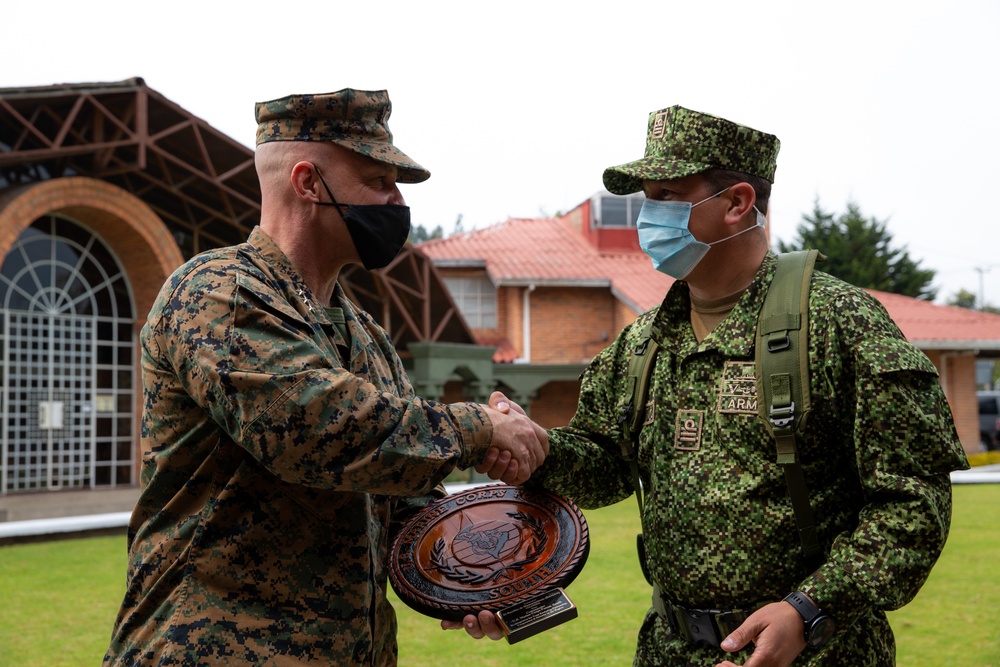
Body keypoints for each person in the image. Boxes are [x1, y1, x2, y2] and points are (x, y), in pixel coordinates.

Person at [446, 106, 969, 666]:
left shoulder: (839, 323)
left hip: (815, 652)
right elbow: (605, 468)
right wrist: (537, 446)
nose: (649, 215)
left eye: (667, 196)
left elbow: (913, 505)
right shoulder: (641, 343)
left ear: (738, 204)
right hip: (670, 647)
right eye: (647, 197)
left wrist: (810, 609)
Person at [103, 88, 548, 667]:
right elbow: (313, 427)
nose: (395, 203)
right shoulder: (219, 293)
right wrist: (480, 429)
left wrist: (473, 573)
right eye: (378, 181)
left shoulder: (365, 335)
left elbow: (400, 495)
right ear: (309, 182)